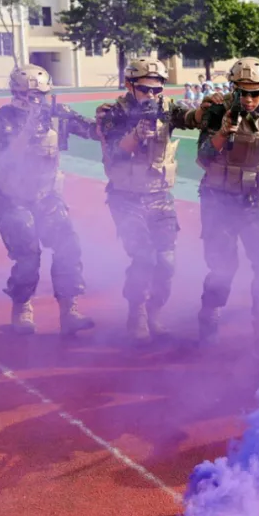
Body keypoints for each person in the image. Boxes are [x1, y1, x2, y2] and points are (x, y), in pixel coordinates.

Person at [192, 58, 259, 351]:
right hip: (218, 200)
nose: (249, 99)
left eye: (256, 92)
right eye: (243, 92)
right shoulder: (218, 111)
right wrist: (223, 132)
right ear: (234, 89)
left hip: (253, 201)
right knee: (223, 267)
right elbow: (202, 157)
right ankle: (209, 316)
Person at [0, 65, 99, 336]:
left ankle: (69, 310)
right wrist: (29, 127)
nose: (38, 100)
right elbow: (9, 154)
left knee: (68, 244)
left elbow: (93, 131)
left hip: (45, 193)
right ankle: (22, 306)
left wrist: (111, 121)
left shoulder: (56, 114)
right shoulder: (5, 117)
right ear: (17, 93)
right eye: (32, 95)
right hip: (10, 196)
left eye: (42, 95)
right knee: (28, 252)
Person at [96, 59, 199, 344]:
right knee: (143, 257)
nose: (151, 95)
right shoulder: (113, 113)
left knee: (166, 262)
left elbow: (193, 118)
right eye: (144, 89)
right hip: (125, 198)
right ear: (129, 85)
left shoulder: (169, 108)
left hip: (159, 196)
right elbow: (114, 153)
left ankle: (155, 311)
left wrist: (210, 108)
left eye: (157, 89)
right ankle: (137, 312)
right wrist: (136, 135)